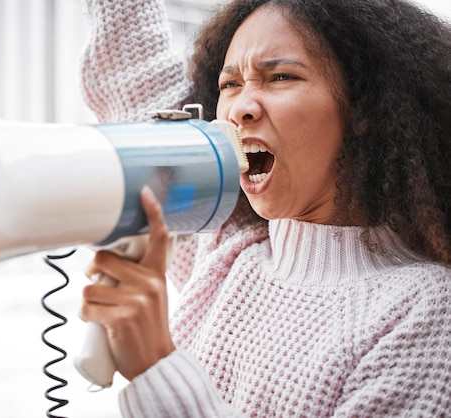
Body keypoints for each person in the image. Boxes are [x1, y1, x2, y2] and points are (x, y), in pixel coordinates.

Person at [78, 0, 451, 416]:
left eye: (280, 77)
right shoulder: (228, 249)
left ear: (363, 107)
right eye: (230, 85)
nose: (241, 108)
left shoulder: (426, 314)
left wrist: (158, 367)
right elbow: (134, 73)